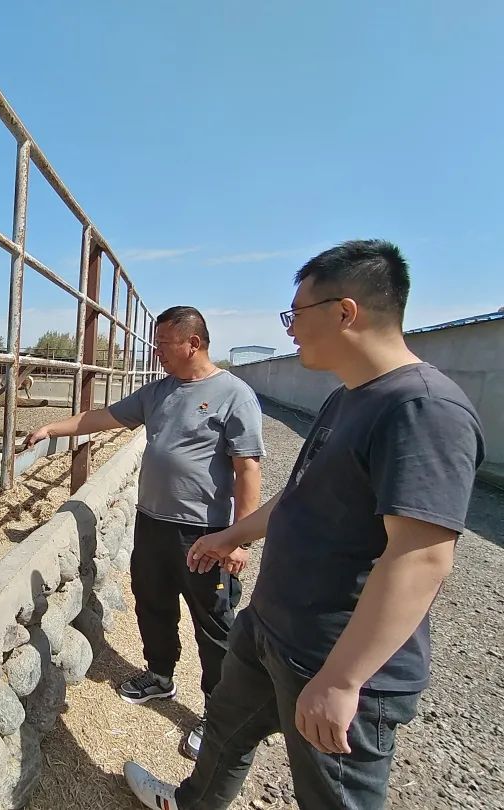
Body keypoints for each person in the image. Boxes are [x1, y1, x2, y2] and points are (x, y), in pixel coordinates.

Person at [123, 240, 485, 810]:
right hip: (273, 630)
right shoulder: (348, 399)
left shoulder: (422, 409)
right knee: (224, 734)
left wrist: (343, 681)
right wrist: (229, 537)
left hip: (331, 653)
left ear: (346, 313)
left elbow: (421, 557)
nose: (290, 331)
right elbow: (299, 497)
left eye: (297, 315)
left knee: (334, 795)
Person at [25, 306, 265, 760]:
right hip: (153, 523)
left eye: (164, 345)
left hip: (206, 532)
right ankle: (160, 675)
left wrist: (239, 539)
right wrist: (53, 428)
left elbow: (248, 469)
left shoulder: (234, 395)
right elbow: (104, 418)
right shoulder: (159, 393)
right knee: (152, 603)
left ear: (193, 343)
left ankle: (220, 714)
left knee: (213, 622)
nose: (157, 353)